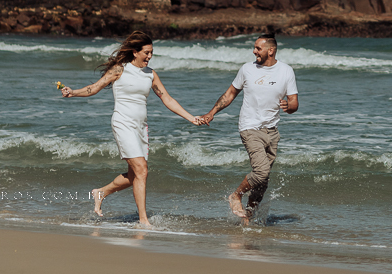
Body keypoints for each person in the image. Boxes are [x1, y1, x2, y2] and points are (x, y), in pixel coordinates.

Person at [61, 30, 201, 227]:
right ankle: (143, 220)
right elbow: (96, 87)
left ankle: (101, 192)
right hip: (122, 123)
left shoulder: (150, 74)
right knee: (142, 170)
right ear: (135, 52)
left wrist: (191, 118)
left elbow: (167, 98)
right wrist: (73, 92)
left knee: (135, 175)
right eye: (146, 52)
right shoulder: (120, 70)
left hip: (140, 128)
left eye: (152, 53)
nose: (150, 56)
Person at [199, 33, 298, 223]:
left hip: (272, 131)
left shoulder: (286, 71)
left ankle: (248, 219)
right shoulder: (247, 69)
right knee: (261, 172)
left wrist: (289, 106)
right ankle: (236, 195)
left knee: (262, 182)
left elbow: (294, 102)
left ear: (271, 50)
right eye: (254, 48)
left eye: (258, 48)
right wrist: (212, 112)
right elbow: (230, 94)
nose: (254, 51)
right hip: (250, 127)